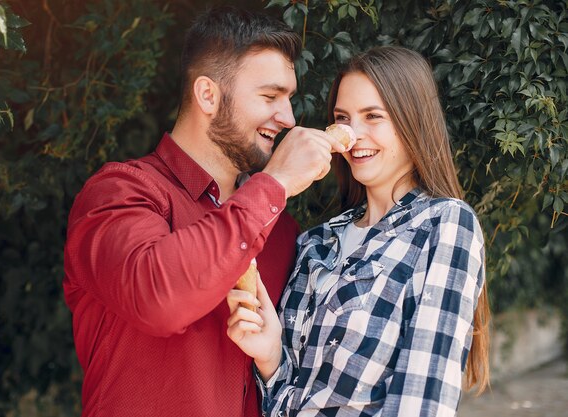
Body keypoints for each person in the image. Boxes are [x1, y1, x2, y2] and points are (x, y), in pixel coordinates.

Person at [63, 6, 346, 417]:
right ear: (208, 95)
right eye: (269, 96)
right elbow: (159, 298)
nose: (288, 118)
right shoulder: (119, 193)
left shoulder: (282, 231)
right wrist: (277, 182)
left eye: (289, 99)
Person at [226, 46, 491, 417]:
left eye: (373, 116)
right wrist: (270, 356)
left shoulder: (443, 225)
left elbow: (422, 401)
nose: (353, 135)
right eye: (343, 118)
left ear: (411, 120)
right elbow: (286, 403)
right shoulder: (315, 244)